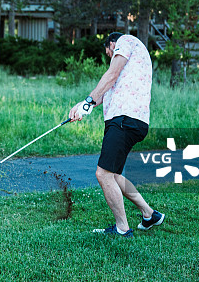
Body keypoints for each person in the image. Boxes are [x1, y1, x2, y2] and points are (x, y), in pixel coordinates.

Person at [69, 32, 165, 238]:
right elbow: (108, 88)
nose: (110, 57)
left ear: (112, 44)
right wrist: (84, 106)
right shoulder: (131, 64)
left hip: (124, 119)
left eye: (109, 52)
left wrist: (87, 101)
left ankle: (122, 228)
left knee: (103, 174)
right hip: (130, 121)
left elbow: (111, 75)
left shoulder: (125, 41)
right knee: (114, 175)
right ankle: (149, 214)